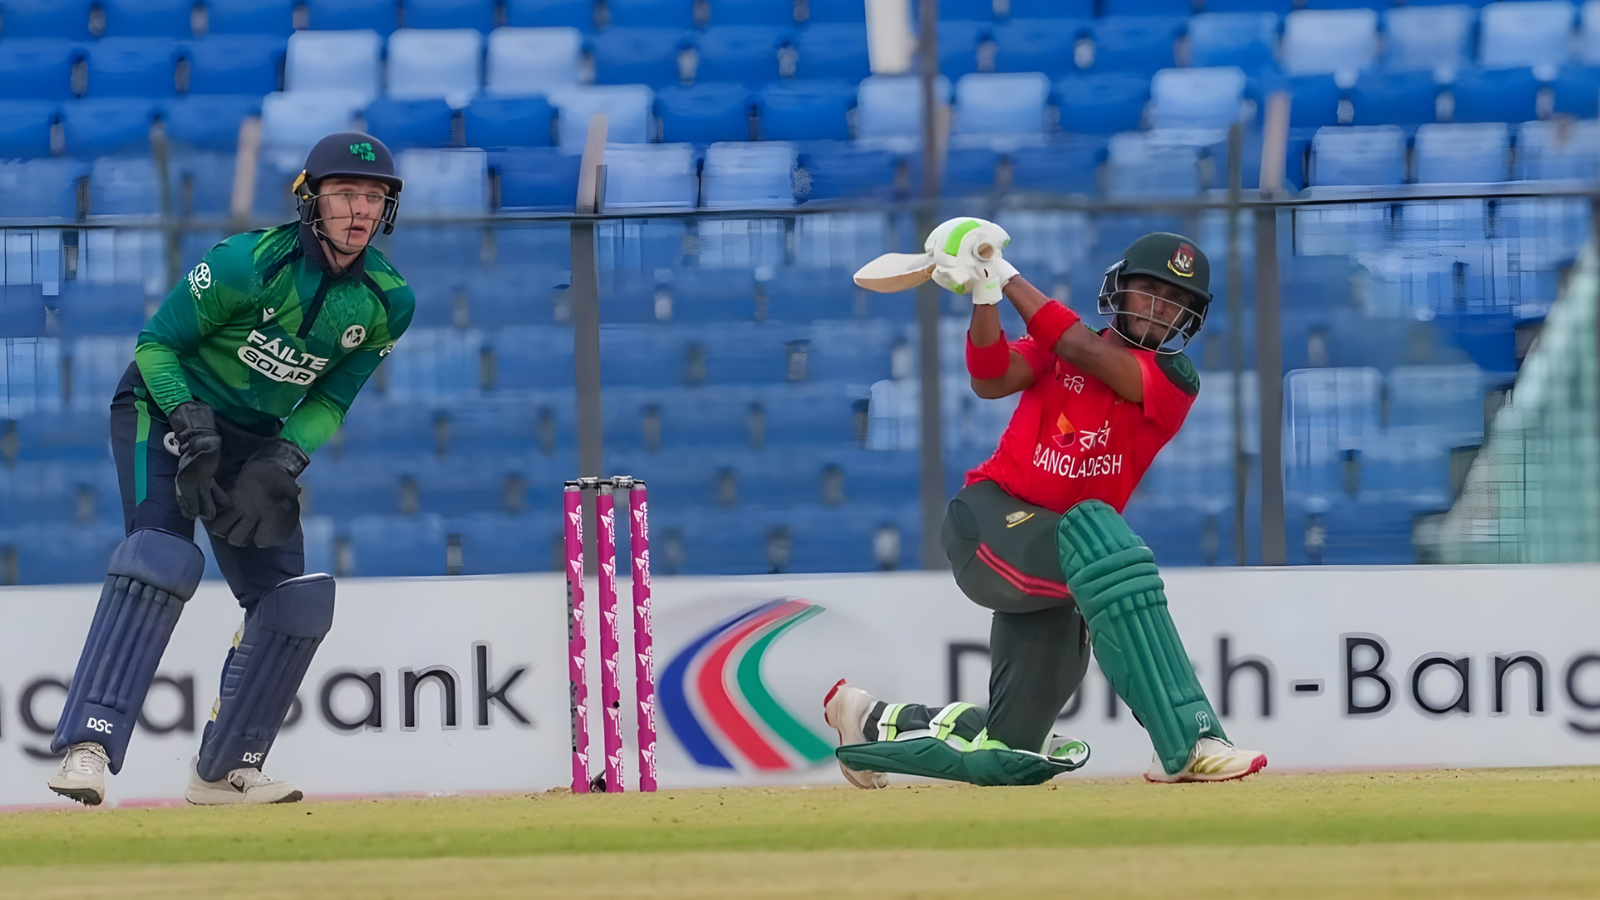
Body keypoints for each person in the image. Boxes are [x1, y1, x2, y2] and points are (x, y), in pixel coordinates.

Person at [825, 218, 1266, 787]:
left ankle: (870, 721)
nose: (1161, 308)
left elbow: (1080, 346)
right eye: (1151, 290)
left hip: (1059, 557)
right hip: (988, 523)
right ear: (1121, 289)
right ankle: (1188, 740)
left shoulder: (1174, 379)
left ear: (1190, 318)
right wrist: (986, 293)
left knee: (1010, 754)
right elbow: (990, 376)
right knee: (1098, 530)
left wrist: (1003, 274)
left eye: (1176, 301)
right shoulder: (1053, 352)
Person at [46, 132, 415, 806]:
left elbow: (331, 396)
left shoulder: (389, 303)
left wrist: (284, 455)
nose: (360, 211)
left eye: (372, 197)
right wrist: (187, 419)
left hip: (255, 436)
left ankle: (223, 771)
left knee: (294, 600)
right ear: (311, 201)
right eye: (344, 195)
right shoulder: (249, 263)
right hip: (161, 408)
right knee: (161, 555)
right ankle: (87, 746)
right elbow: (157, 343)